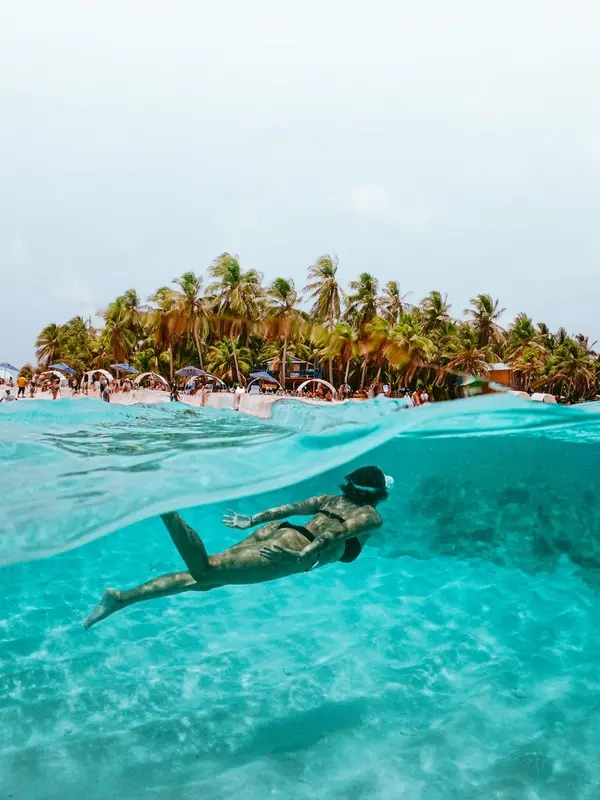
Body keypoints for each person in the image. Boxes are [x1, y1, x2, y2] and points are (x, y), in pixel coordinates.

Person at [83, 466, 394, 629]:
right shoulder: (371, 516)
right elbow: (336, 534)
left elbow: (290, 509)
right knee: (206, 569)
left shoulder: (331, 499)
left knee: (204, 581)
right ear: (379, 494)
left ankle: (122, 598)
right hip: (293, 549)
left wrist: (254, 520)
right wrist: (302, 556)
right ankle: (165, 508)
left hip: (278, 531)